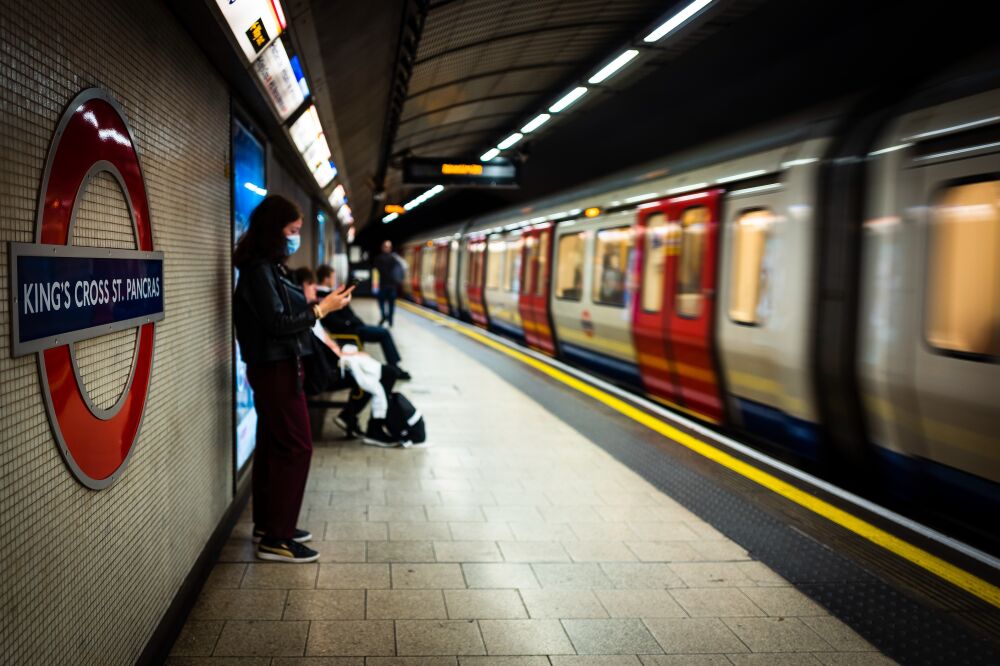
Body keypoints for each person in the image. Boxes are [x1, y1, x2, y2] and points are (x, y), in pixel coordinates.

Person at [233, 195, 355, 563]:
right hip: (276, 368)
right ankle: (278, 538)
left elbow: (284, 313)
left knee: (273, 443)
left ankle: (269, 524)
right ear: (274, 230)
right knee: (298, 446)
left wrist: (320, 303)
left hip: (278, 366)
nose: (295, 238)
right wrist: (321, 309)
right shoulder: (259, 271)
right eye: (293, 231)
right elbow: (277, 324)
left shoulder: (269, 267)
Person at [314, 264, 411, 380]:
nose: (334, 280)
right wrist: (351, 323)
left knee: (382, 332)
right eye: (333, 277)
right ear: (326, 279)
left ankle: (395, 366)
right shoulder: (324, 296)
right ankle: (395, 367)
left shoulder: (328, 294)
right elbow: (332, 320)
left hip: (353, 327)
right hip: (350, 330)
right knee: (384, 333)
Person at [373, 240, 405, 326]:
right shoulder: (394, 259)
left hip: (383, 285)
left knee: (382, 303)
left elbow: (375, 273)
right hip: (392, 286)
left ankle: (384, 316)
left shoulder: (378, 259)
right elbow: (401, 270)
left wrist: (374, 287)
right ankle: (390, 320)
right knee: (391, 305)